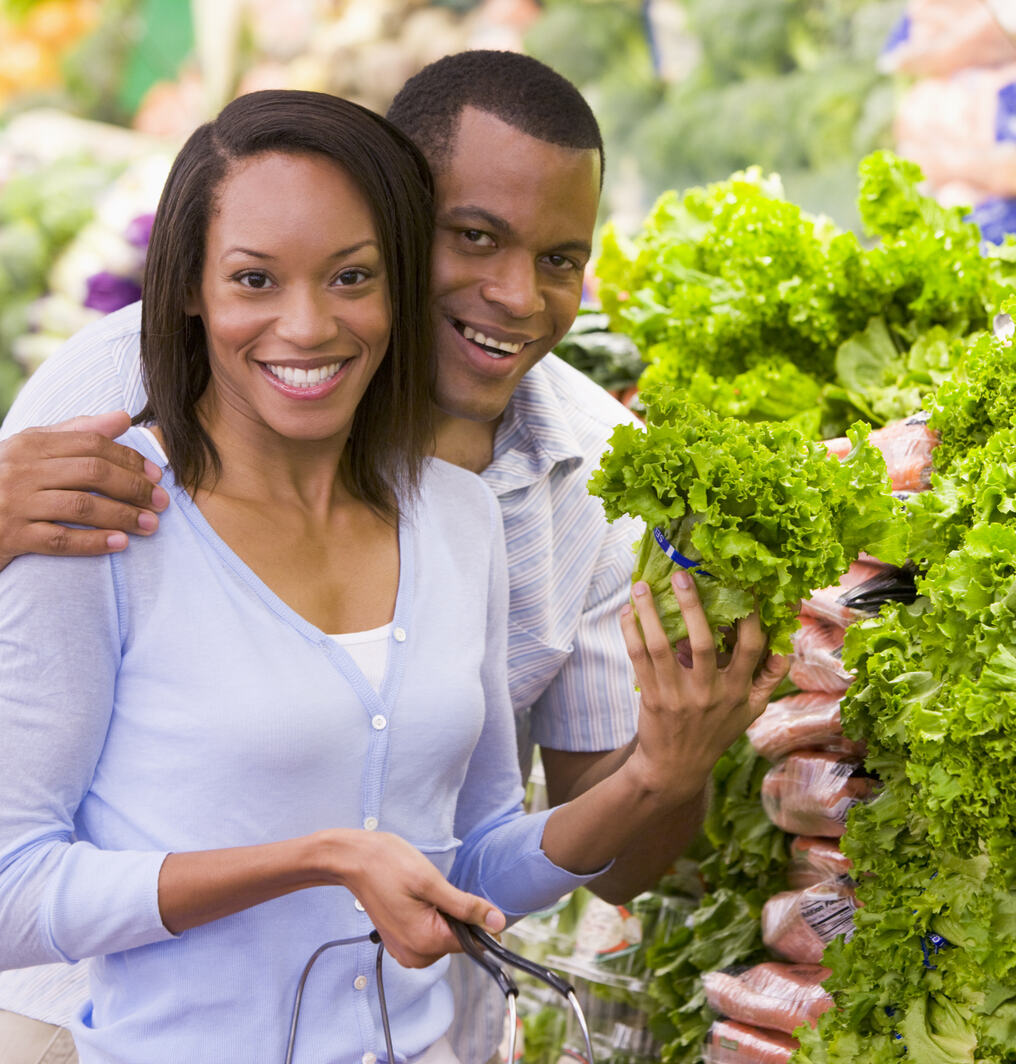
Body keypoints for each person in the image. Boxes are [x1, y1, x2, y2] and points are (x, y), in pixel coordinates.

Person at [0, 53, 787, 1064]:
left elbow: (481, 853)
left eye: (561, 258)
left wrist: (667, 770)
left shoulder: (484, 513)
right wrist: (321, 859)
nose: (517, 294)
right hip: (80, 1016)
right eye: (476, 237)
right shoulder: (111, 428)